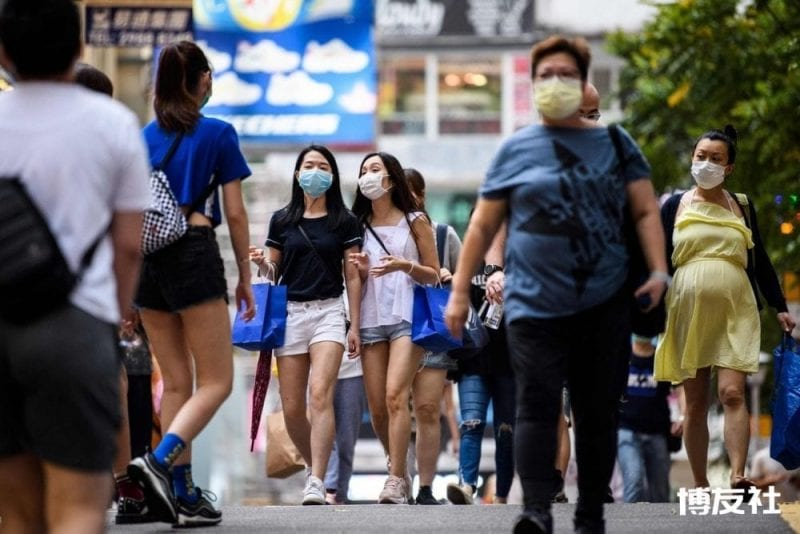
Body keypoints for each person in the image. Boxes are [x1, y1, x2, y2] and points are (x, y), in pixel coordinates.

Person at [445, 35, 668, 534]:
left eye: (563, 75)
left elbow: (646, 209)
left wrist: (658, 270)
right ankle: (537, 511)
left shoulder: (616, 144)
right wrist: (462, 290)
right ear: (533, 84)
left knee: (594, 412)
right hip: (533, 304)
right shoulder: (515, 148)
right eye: (543, 76)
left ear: (582, 80)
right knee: (537, 405)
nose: (553, 84)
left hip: (602, 302)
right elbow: (483, 226)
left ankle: (590, 512)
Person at [0, 1, 150, 532]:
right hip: (75, 326)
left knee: (16, 514)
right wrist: (107, 321)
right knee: (79, 509)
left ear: (3, 52)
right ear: (80, 48)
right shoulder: (112, 124)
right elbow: (128, 246)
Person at [127, 40, 255, 528]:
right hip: (194, 255)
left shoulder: (141, 138)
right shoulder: (219, 134)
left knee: (177, 382)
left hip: (147, 261)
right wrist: (245, 275)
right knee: (218, 382)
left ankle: (183, 493)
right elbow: (237, 214)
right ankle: (158, 463)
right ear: (202, 80)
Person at [655, 125, 796, 493]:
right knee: (697, 401)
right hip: (687, 310)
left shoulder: (742, 206)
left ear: (729, 167)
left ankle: (737, 475)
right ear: (692, 159)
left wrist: (779, 305)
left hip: (736, 308)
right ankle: (700, 483)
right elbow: (656, 261)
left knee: (732, 393)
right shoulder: (674, 205)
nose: (706, 164)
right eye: (701, 156)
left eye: (716, 158)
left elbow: (760, 258)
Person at [249, 145, 363, 505]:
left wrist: (354, 325)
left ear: (333, 175)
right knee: (293, 406)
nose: (316, 171)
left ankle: (316, 480)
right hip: (291, 315)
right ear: (298, 174)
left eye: (323, 166)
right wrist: (261, 264)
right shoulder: (281, 219)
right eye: (309, 165)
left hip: (329, 312)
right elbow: (273, 270)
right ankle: (317, 463)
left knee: (319, 395)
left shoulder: (345, 221)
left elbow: (353, 276)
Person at [72, 60, 157, 525]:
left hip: (29, 290)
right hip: (93, 292)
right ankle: (124, 484)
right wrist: (124, 303)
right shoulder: (117, 143)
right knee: (113, 386)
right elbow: (129, 240)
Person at [349, 152, 441, 504]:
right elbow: (354, 279)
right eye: (364, 171)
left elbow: (434, 274)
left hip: (407, 317)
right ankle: (400, 468)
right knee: (376, 408)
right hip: (371, 319)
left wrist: (406, 266)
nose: (368, 176)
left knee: (394, 396)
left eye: (375, 170)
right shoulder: (356, 223)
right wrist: (360, 270)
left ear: (391, 178)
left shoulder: (415, 219)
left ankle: (394, 479)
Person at [446, 226, 517, 506]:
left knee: (506, 430)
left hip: (511, 361)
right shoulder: (466, 261)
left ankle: (501, 495)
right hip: (473, 360)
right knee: (471, 423)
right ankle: (466, 486)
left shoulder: (521, 260)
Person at [405, 167, 462, 505]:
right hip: (393, 328)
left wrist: (449, 274)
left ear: (421, 195)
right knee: (394, 407)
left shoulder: (443, 234)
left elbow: (468, 277)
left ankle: (424, 487)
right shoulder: (381, 231)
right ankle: (398, 480)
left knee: (427, 408)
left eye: (409, 191)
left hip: (432, 329)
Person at [617, 335, 682, 502]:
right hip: (626, 430)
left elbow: (681, 388)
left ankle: (659, 527)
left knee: (660, 491)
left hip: (658, 432)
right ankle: (628, 526)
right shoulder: (621, 355)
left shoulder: (663, 358)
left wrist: (682, 417)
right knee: (634, 480)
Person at [323, 354, 367, 505]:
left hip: (353, 369)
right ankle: (328, 488)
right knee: (323, 435)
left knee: (346, 440)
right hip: (316, 369)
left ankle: (340, 492)